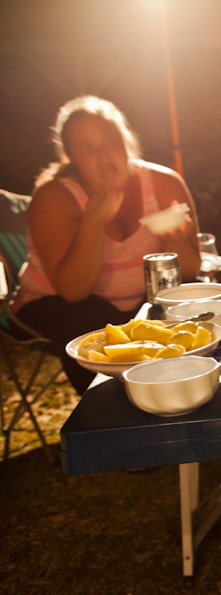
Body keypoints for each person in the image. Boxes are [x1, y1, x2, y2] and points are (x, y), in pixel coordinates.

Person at [9, 95, 201, 395]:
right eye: (88, 149)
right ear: (72, 158)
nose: (104, 157)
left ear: (127, 142)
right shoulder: (55, 197)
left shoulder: (164, 184)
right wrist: (93, 223)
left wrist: (175, 235)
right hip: (58, 304)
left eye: (111, 141)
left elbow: (189, 272)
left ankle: (188, 391)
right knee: (90, 321)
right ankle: (110, 418)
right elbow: (74, 292)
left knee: (194, 305)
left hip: (139, 304)